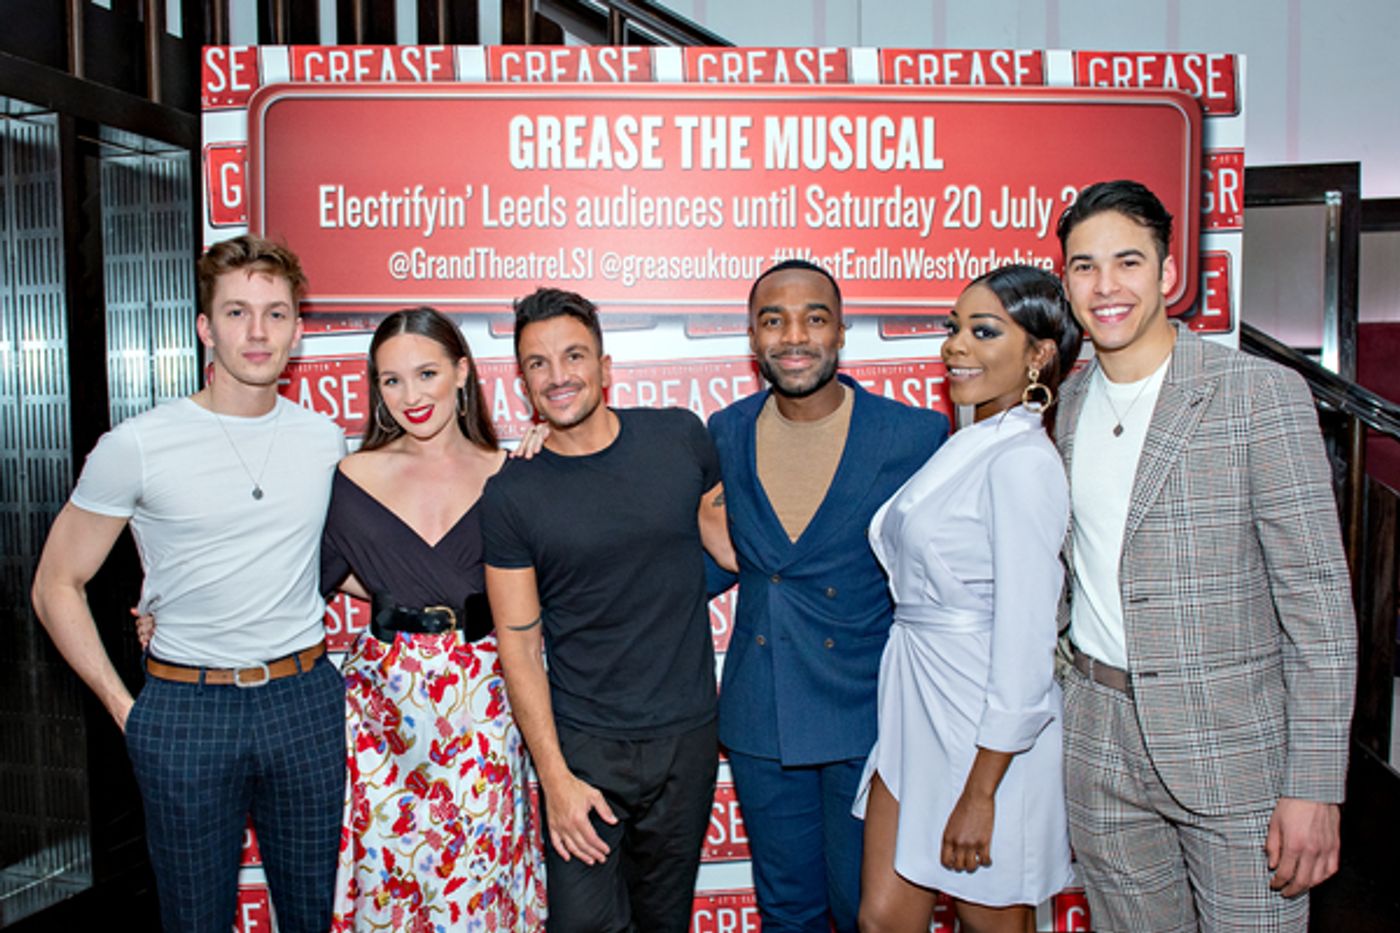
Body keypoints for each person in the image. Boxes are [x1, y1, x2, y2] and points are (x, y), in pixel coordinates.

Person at [1054, 179, 1356, 931]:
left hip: (1237, 753)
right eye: (1084, 266)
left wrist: (1315, 785)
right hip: (1100, 744)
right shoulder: (1065, 404)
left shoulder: (1258, 394)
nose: (1106, 285)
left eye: (1127, 261)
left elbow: (1318, 603)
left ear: (1169, 273)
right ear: (1065, 281)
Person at [30, 236, 347, 932]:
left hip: (305, 702)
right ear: (205, 327)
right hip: (185, 708)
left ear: (298, 327)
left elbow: (345, 564)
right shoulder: (138, 444)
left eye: (275, 313)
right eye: (236, 312)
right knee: (193, 919)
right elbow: (57, 582)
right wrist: (126, 708)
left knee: (312, 918)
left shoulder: (327, 441)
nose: (257, 332)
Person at [707, 259, 950, 932]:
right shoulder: (723, 433)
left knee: (868, 911)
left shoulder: (915, 435)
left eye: (814, 317)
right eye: (773, 319)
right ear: (753, 338)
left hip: (871, 715)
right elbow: (702, 564)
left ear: (841, 331)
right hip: (763, 714)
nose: (794, 336)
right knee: (789, 912)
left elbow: (948, 576)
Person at [481, 288, 732, 933]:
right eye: (538, 363)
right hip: (585, 748)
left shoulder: (679, 436)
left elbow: (731, 547)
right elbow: (518, 646)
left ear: (606, 365)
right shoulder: (512, 493)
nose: (558, 376)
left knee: (663, 921)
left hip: (687, 737)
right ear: (523, 380)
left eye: (573, 356)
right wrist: (556, 777)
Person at [854, 265, 1080, 933]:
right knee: (883, 918)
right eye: (955, 328)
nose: (956, 346)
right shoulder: (970, 442)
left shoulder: (1023, 462)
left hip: (984, 725)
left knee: (992, 923)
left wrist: (982, 790)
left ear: (1039, 353)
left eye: (984, 331)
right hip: (915, 708)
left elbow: (1026, 641)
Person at [321, 308, 545, 930]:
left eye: (426, 373)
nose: (410, 396)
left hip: (485, 702)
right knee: (388, 882)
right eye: (391, 381)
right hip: (379, 715)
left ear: (462, 372)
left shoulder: (512, 473)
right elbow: (297, 578)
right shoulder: (350, 476)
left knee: (480, 877)